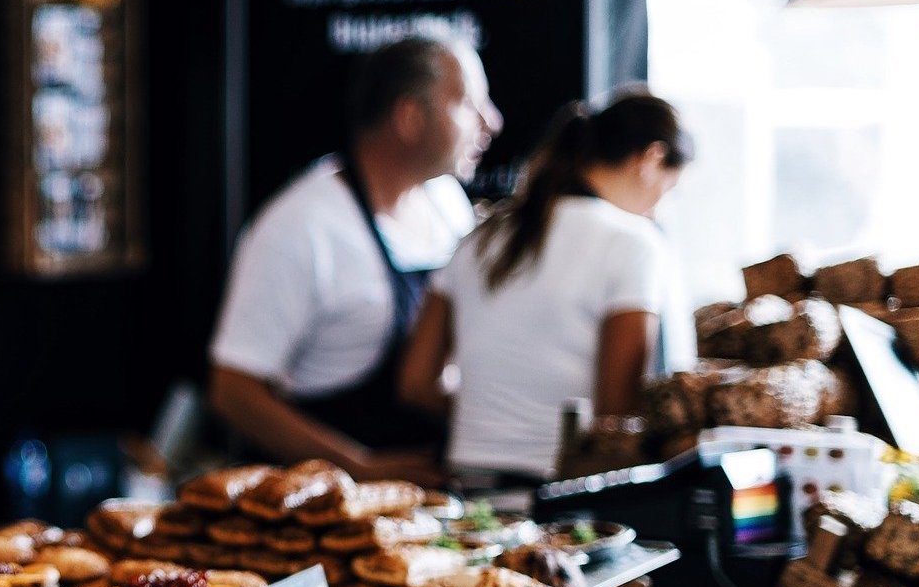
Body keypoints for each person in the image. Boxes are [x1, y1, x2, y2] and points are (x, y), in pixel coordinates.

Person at [209, 30, 503, 484]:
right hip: (324, 509)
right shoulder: (301, 227)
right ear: (409, 117)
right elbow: (233, 392)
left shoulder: (446, 202)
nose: (492, 122)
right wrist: (357, 469)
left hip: (433, 495)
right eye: (468, 103)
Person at [397, 91, 694, 486]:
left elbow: (415, 384)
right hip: (564, 498)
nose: (660, 207)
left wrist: (494, 415)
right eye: (669, 190)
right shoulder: (634, 244)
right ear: (652, 160)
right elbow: (616, 416)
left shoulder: (479, 237)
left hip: (468, 490)